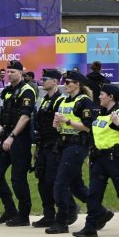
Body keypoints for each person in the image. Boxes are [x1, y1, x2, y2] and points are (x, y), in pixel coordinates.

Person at [74, 84, 119, 237]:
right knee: (94, 194)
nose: (99, 97)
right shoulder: (99, 114)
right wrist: (91, 154)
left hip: (116, 160)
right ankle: (90, 227)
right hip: (99, 160)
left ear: (111, 96)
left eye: (101, 94)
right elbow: (96, 136)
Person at [47, 70, 96, 234]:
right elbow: (60, 125)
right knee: (76, 186)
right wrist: (57, 123)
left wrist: (67, 120)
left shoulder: (84, 102)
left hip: (77, 146)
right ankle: (101, 212)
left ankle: (62, 221)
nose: (65, 85)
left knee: (60, 183)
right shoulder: (64, 101)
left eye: (68, 82)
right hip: (63, 144)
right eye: (65, 82)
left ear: (78, 84)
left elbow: (87, 127)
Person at [0, 60, 36, 227]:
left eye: (12, 72)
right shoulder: (8, 91)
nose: (9, 74)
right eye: (7, 72)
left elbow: (25, 116)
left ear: (21, 73)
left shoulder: (27, 90)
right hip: (7, 136)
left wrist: (12, 137)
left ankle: (23, 216)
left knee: (18, 178)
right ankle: (10, 209)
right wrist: (1, 135)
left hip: (20, 140)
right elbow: (8, 117)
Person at [31, 70, 77, 228]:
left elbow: (61, 126)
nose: (42, 81)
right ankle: (48, 215)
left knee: (53, 181)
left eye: (45, 79)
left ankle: (70, 209)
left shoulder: (61, 101)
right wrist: (37, 149)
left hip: (55, 147)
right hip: (43, 145)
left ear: (55, 82)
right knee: (42, 181)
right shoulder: (44, 100)